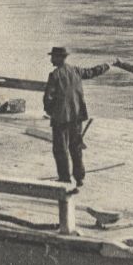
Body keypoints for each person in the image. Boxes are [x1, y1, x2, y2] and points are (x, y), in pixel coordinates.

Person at [43, 47, 110, 189]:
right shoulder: (76, 71)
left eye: (53, 57)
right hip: (77, 116)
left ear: (59, 58)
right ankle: (79, 178)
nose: (51, 60)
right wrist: (107, 65)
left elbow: (48, 98)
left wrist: (51, 112)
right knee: (76, 147)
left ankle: (64, 179)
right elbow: (92, 72)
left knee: (60, 149)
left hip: (60, 118)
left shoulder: (54, 75)